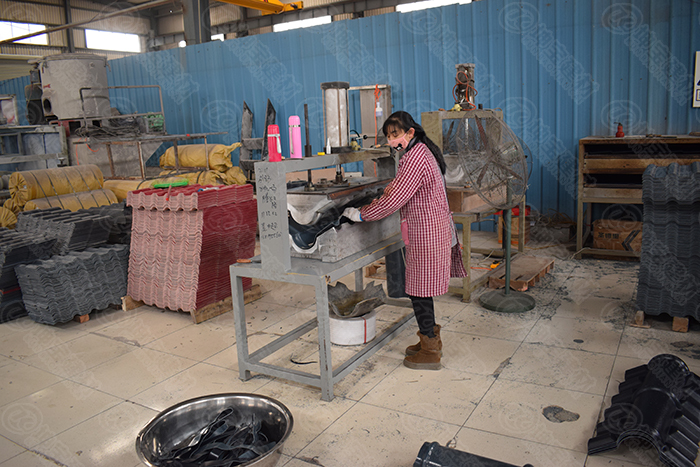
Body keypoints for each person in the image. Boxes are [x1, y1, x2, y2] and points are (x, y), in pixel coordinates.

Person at [342, 111, 467, 370]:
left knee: (419, 292)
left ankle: (430, 351)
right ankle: (429, 339)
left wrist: (361, 214)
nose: (391, 140)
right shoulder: (420, 151)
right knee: (421, 290)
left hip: (428, 234)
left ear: (410, 132)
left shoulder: (415, 158)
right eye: (388, 136)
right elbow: (401, 188)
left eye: (395, 134)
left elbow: (394, 199)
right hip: (431, 229)